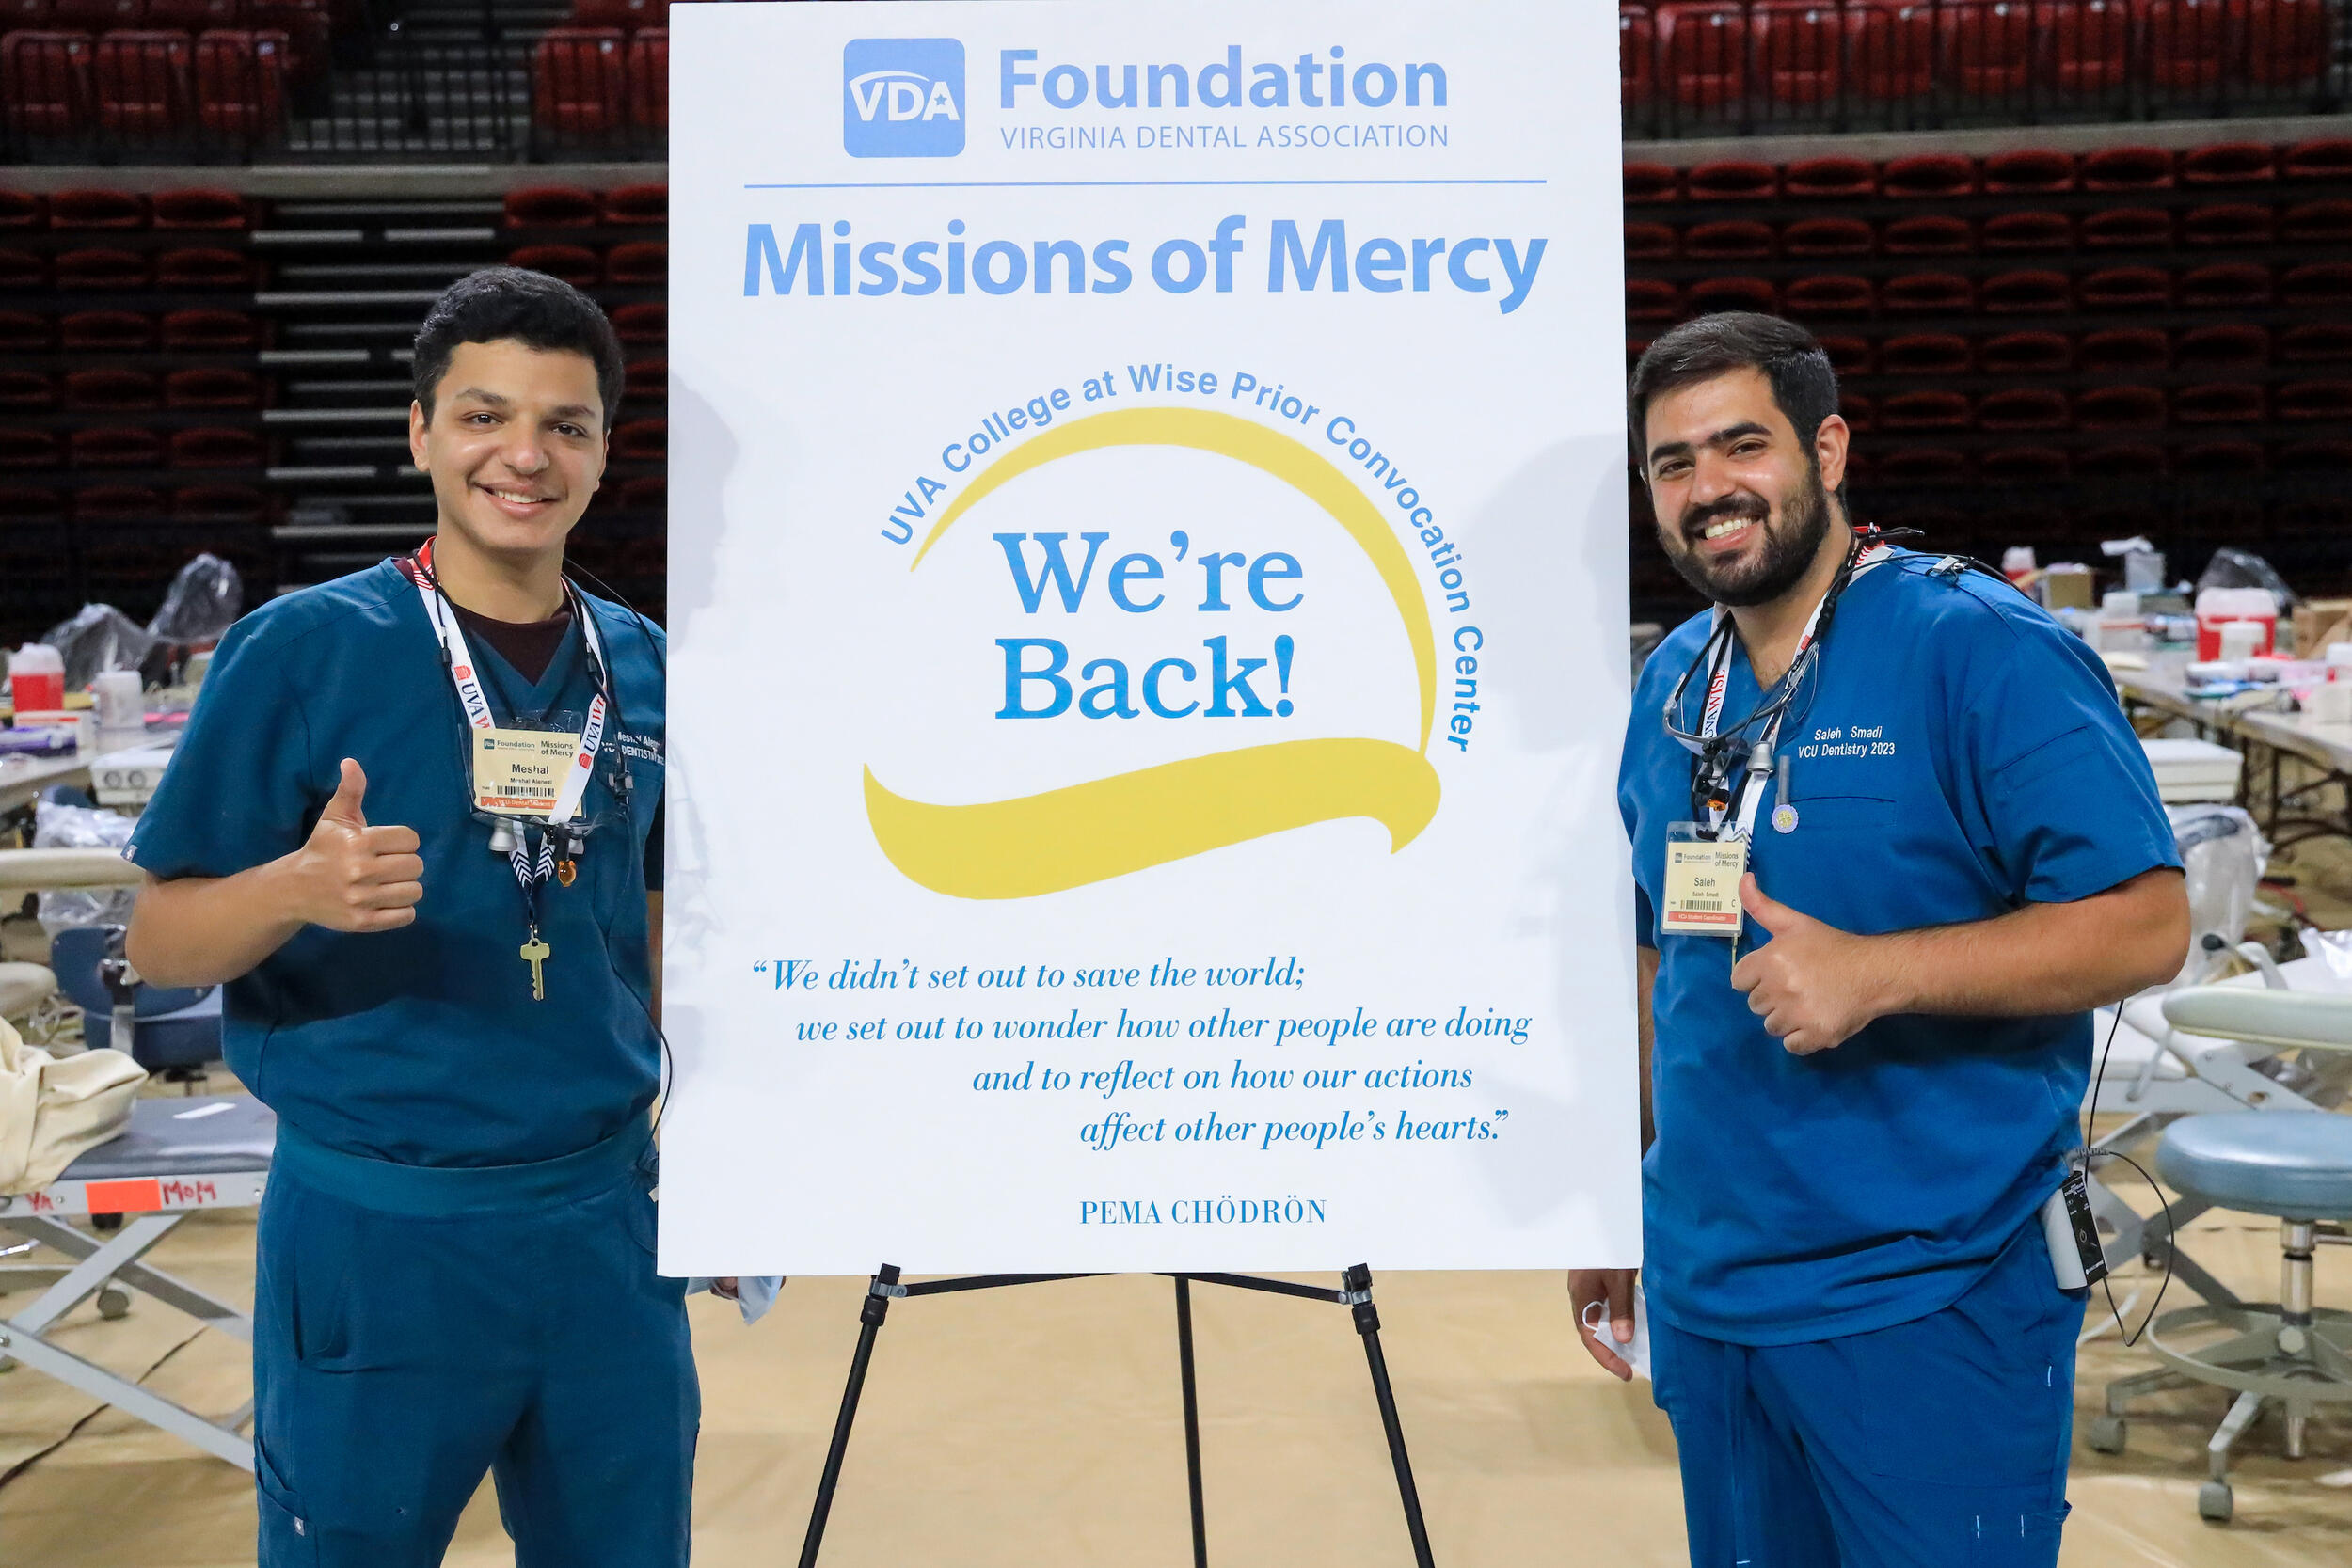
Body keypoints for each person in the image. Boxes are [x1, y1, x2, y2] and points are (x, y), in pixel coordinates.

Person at [1577, 311, 2188, 1567]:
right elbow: (1667, 963)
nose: (1708, 490)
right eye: (1673, 464)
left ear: (1829, 448)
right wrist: (1609, 1201)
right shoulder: (1675, 687)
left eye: (1740, 446)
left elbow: (2149, 922)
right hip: (1714, 1288)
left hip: (1931, 1293)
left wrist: (1879, 973)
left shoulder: (1977, 650)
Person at [126, 267, 715, 1565]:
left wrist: (731, 1165)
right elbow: (157, 945)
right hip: (380, 1234)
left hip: (605, 1226)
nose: (525, 455)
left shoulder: (648, 667)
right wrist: (293, 890)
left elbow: (661, 933)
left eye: (566, 425)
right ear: (420, 434)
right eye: (484, 416)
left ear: (606, 451)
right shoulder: (303, 651)